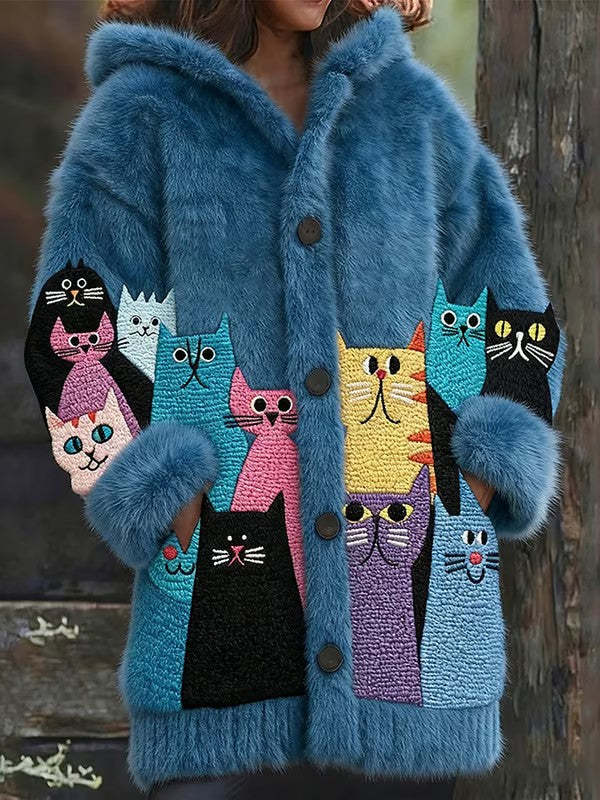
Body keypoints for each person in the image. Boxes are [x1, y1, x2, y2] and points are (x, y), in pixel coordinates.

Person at [24, 0, 563, 798]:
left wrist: (477, 477)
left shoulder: (411, 114)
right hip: (222, 643)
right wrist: (161, 495)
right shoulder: (143, 118)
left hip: (404, 671)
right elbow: (72, 322)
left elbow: (510, 305)